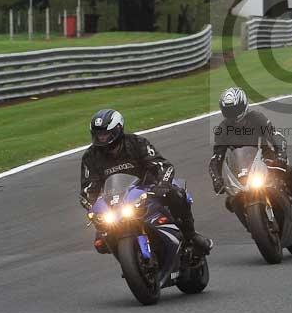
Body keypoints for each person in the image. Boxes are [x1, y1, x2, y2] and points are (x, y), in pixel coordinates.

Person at [80, 108, 213, 255]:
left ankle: (191, 236)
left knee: (177, 194)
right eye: (98, 135)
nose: (102, 138)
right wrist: (91, 206)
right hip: (115, 202)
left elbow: (163, 165)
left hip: (148, 189)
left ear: (117, 129)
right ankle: (132, 261)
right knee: (100, 244)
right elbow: (88, 188)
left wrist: (163, 184)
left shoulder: (137, 143)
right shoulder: (90, 156)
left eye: (105, 134)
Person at [208, 87, 292, 222]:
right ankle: (251, 224)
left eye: (234, 110)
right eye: (228, 111)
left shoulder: (257, 118)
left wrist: (280, 155)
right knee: (231, 201)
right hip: (240, 169)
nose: (232, 115)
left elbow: (275, 136)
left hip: (265, 158)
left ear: (243, 106)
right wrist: (216, 179)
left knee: (291, 173)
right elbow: (216, 158)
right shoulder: (222, 130)